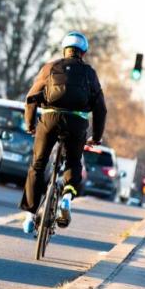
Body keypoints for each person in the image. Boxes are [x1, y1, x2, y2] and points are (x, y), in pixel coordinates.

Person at [20, 31, 107, 233]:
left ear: (64, 50)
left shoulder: (50, 67)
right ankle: (67, 196)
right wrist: (96, 137)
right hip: (77, 122)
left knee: (38, 164)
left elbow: (32, 97)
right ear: (82, 53)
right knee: (74, 161)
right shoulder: (89, 73)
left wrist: (30, 124)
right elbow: (101, 108)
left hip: (49, 119)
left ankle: (30, 214)